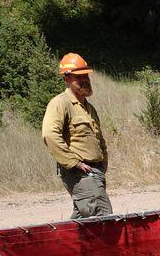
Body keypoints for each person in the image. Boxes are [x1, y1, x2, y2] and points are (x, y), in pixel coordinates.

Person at [41, 53, 113, 218]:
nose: (85, 79)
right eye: (78, 76)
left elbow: (98, 138)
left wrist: (104, 162)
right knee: (101, 216)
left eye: (85, 75)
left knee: (83, 219)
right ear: (66, 78)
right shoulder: (60, 103)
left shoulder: (89, 107)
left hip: (95, 172)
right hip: (80, 173)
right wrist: (73, 162)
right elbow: (50, 134)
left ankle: (65, 244)